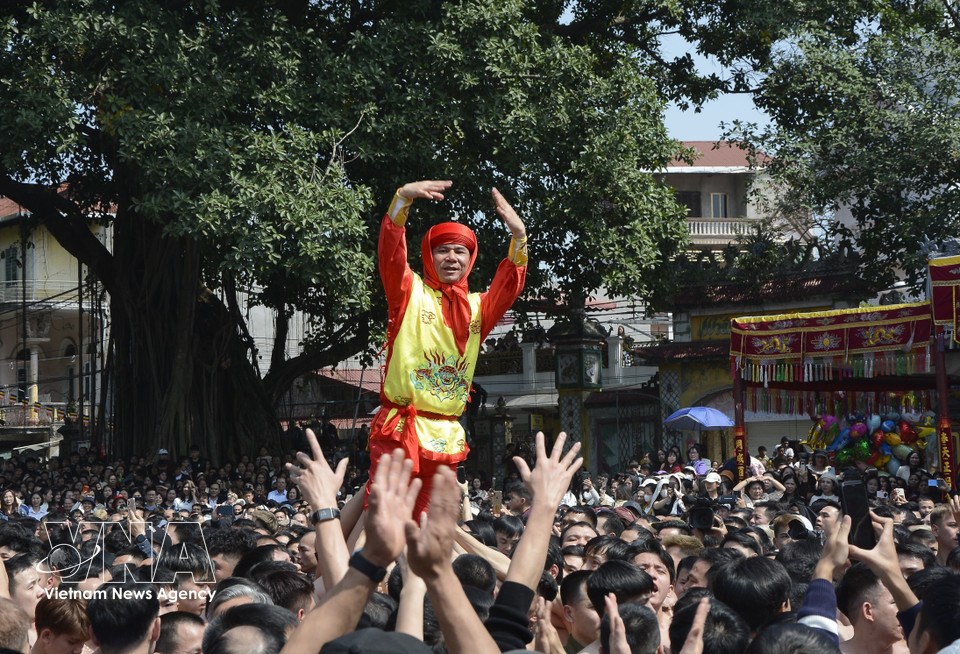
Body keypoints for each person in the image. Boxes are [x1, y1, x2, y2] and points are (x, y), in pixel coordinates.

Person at [366, 180, 527, 517]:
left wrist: (519, 238)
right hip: (400, 430)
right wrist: (402, 200)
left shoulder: (479, 308)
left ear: (471, 259)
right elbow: (390, 253)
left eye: (460, 251)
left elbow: (509, 284)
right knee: (384, 521)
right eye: (443, 249)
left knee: (433, 528)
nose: (452, 257)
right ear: (429, 254)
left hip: (445, 437)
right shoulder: (409, 291)